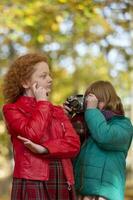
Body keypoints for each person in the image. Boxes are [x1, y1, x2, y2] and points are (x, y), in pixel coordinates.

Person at [2, 53, 80, 200]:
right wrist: (42, 103)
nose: (50, 80)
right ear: (25, 82)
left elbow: (74, 144)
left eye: (49, 75)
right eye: (43, 76)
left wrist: (45, 149)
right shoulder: (12, 110)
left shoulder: (57, 110)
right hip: (32, 179)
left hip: (62, 178)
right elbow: (33, 134)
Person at [74, 80, 133, 200]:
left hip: (104, 194)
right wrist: (67, 118)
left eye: (95, 101)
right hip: (82, 192)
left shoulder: (124, 125)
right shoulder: (87, 124)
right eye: (88, 102)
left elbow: (103, 136)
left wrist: (91, 111)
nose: (91, 104)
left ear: (107, 100)